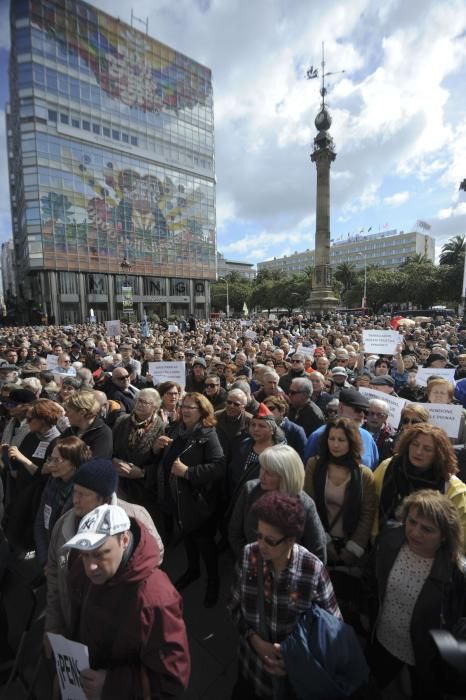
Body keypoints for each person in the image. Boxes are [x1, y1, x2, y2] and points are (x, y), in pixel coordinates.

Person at [64, 505, 190, 699]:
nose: (90, 567)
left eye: (100, 553)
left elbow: (172, 680)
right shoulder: (81, 565)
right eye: (85, 555)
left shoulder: (156, 600)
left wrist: (110, 685)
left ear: (124, 540)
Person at [229, 491, 341, 699]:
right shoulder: (248, 556)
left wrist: (294, 658)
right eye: (259, 535)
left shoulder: (312, 570)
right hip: (252, 671)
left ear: (291, 540)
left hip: (295, 682)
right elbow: (234, 607)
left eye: (270, 541)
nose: (260, 545)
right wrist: (255, 641)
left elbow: (333, 633)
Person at [45, 458, 164, 638]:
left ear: (105, 499)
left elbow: (156, 555)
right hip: (77, 627)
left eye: (83, 494)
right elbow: (54, 579)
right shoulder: (63, 526)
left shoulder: (136, 517)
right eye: (74, 492)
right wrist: (53, 628)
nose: (75, 500)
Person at [367, 490, 466, 700]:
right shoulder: (389, 540)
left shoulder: (457, 573)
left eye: (427, 529)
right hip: (382, 645)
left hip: (425, 662)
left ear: (444, 536)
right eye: (411, 522)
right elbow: (372, 583)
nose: (415, 532)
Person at [155, 392, 225, 607]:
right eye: (183, 406)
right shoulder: (176, 430)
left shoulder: (207, 434)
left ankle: (213, 580)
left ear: (202, 411)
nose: (184, 410)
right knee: (187, 535)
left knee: (204, 542)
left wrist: (188, 472)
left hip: (196, 502)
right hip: (176, 498)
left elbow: (219, 467)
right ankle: (193, 570)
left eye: (190, 407)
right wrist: (158, 447)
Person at [229, 444, 326, 563]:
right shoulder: (250, 491)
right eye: (261, 468)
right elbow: (234, 533)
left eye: (269, 473)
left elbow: (317, 550)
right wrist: (250, 561)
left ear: (286, 476)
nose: (261, 476)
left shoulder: (304, 504)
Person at [374, 422, 466, 545]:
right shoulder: (388, 466)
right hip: (382, 547)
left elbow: (459, 536)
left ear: (439, 454)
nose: (418, 452)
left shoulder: (452, 487)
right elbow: (371, 505)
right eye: (415, 444)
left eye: (427, 449)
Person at [4, 398, 62, 552]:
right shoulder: (32, 435)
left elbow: (43, 473)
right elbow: (18, 461)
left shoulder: (56, 442)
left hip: (37, 494)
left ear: (43, 420)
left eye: (30, 419)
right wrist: (7, 455)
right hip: (22, 488)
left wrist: (21, 457)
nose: (27, 422)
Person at [34, 436, 92, 566]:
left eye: (57, 461)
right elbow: (40, 520)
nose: (50, 465)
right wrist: (45, 559)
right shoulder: (52, 481)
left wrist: (57, 564)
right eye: (50, 459)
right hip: (49, 557)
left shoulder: (83, 494)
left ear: (74, 463)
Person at [112, 388, 165, 509]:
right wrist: (114, 461)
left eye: (145, 402)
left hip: (144, 491)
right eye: (138, 400)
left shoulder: (162, 428)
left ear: (155, 406)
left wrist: (143, 473)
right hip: (119, 485)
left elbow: (163, 463)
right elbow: (111, 448)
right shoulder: (121, 421)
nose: (139, 404)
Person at [303, 387, 379, 469]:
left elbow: (373, 468)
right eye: (357, 409)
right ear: (341, 408)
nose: (361, 415)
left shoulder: (367, 437)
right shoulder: (319, 436)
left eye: (365, 411)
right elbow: (308, 469)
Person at [62, 390, 113, 458]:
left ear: (82, 413)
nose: (65, 414)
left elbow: (95, 464)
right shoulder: (70, 431)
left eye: (68, 411)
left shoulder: (103, 433)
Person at [263, 395, 307, 460]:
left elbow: (302, 458)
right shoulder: (262, 428)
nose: (267, 412)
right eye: (265, 409)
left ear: (282, 411)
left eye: (271, 409)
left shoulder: (296, 431)